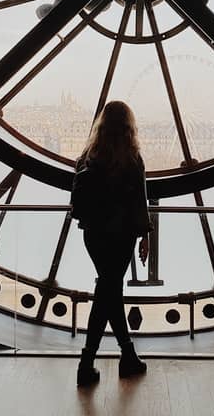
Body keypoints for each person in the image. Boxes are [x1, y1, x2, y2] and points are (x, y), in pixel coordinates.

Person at [72, 100, 152, 387]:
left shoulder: (89, 155)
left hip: (94, 233)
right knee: (109, 291)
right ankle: (109, 358)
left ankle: (96, 359)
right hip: (122, 234)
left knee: (108, 290)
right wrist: (145, 235)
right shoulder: (132, 158)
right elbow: (139, 202)